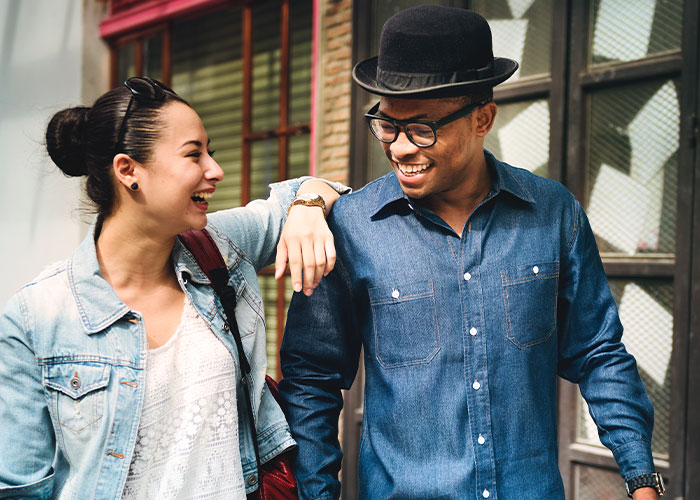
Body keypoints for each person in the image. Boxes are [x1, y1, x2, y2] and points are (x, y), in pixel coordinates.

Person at [279, 6, 663, 500]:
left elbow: (598, 352)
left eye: (421, 128)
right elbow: (311, 380)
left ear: (483, 117)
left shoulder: (554, 213)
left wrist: (641, 479)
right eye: (386, 126)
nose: (399, 148)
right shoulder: (351, 229)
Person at [0, 76, 349, 499]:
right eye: (193, 155)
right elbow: (18, 489)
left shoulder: (219, 246)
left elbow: (317, 189)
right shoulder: (36, 317)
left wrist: (308, 208)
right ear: (129, 171)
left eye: (211, 153)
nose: (215, 171)